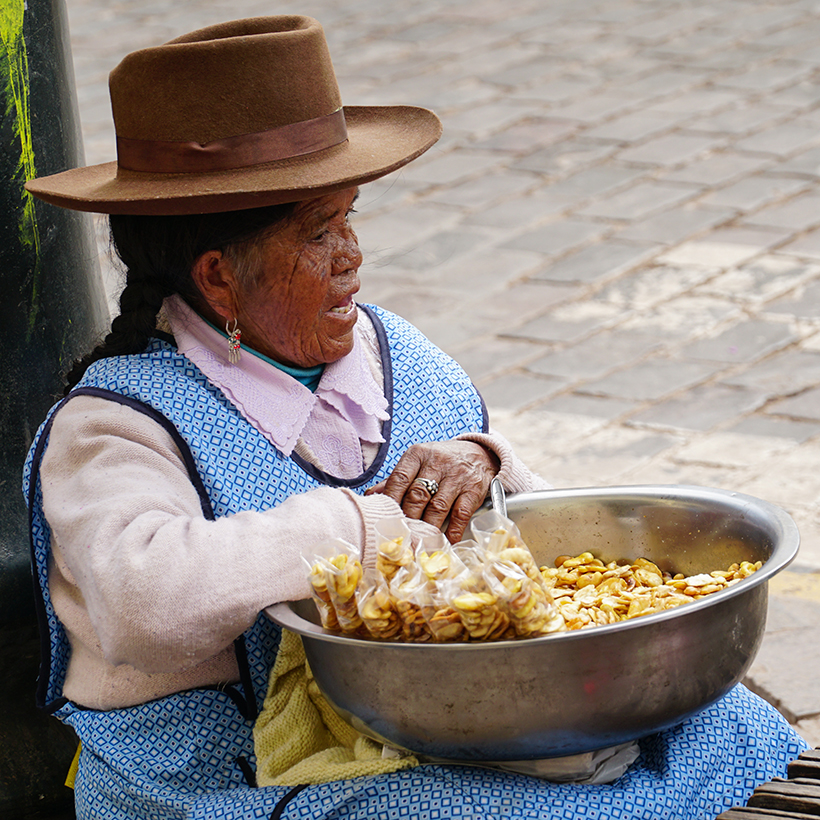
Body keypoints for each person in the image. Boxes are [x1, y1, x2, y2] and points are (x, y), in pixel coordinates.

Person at [23, 15, 807, 820]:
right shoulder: (120, 423)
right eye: (319, 232)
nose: (352, 253)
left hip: (425, 728)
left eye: (350, 217)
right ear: (219, 278)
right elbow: (138, 602)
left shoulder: (398, 354)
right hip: (231, 771)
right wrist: (358, 531)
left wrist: (486, 464)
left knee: (734, 727)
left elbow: (536, 544)